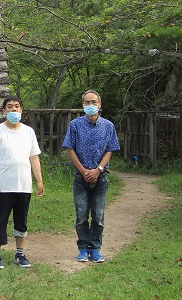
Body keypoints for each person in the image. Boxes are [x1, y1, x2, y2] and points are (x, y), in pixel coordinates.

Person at [0, 96, 44, 270]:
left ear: (21, 110)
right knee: (0, 219)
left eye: (17, 107)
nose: (14, 110)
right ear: (4, 111)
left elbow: (34, 157)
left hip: (23, 186)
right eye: (10, 107)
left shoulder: (28, 132)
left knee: (21, 220)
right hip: (4, 186)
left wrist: (39, 181)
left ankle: (20, 253)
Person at [62, 90, 120, 263]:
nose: (90, 106)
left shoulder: (108, 126)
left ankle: (95, 248)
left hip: (101, 176)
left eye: (93, 102)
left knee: (98, 213)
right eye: (87, 103)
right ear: (83, 105)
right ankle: (82, 248)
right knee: (81, 213)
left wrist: (98, 169)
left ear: (100, 104)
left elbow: (111, 149)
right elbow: (70, 148)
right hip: (81, 176)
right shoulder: (75, 125)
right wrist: (83, 170)